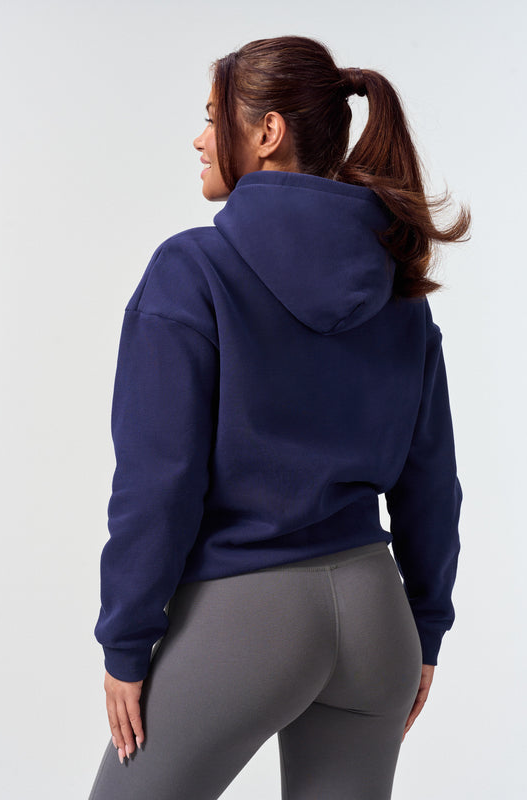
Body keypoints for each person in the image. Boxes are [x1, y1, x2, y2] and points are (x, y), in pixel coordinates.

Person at [88, 35, 470, 800]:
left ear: (267, 132)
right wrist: (424, 629)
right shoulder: (398, 292)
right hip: (376, 617)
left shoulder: (192, 271)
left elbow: (158, 481)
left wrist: (125, 640)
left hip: (245, 617)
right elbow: (431, 483)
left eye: (211, 118)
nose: (199, 139)